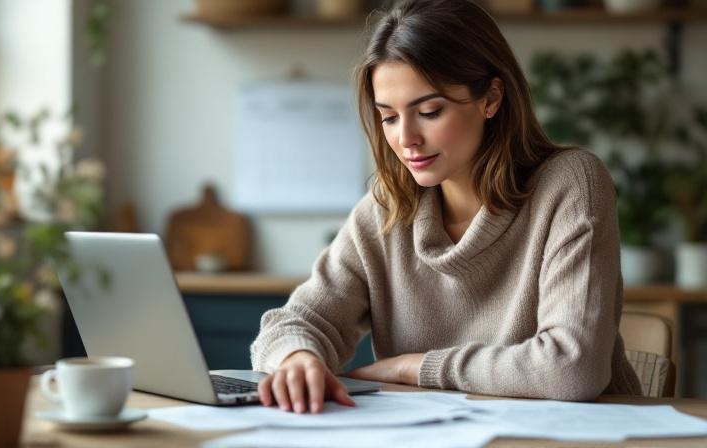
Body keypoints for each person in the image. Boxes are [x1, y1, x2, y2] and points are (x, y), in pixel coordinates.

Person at [250, 0, 642, 415]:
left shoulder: (570, 183)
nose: (406, 139)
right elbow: (291, 324)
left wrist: (414, 368)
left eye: (429, 111)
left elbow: (571, 368)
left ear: (491, 98)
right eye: (388, 118)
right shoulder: (388, 206)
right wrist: (298, 359)